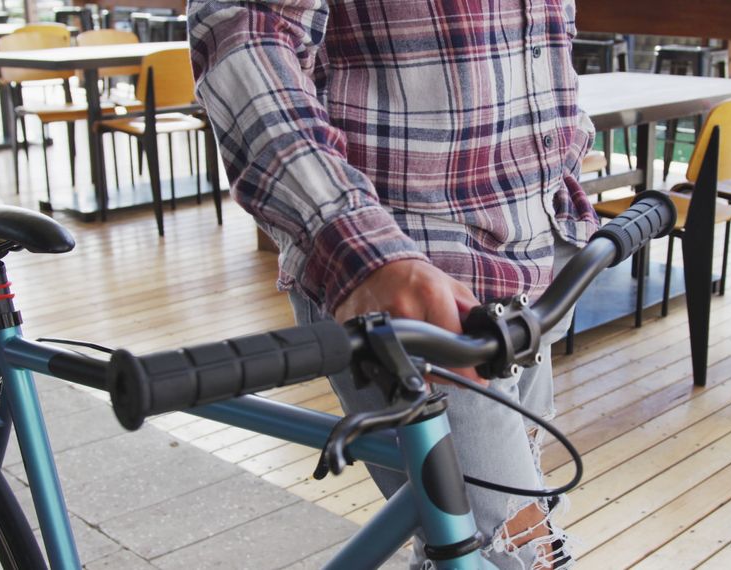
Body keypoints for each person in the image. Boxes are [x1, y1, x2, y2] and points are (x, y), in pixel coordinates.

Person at [188, 1, 598, 567]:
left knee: (485, 541)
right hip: (411, 289)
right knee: (514, 556)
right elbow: (247, 35)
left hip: (532, 272)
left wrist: (565, 169)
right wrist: (355, 246)